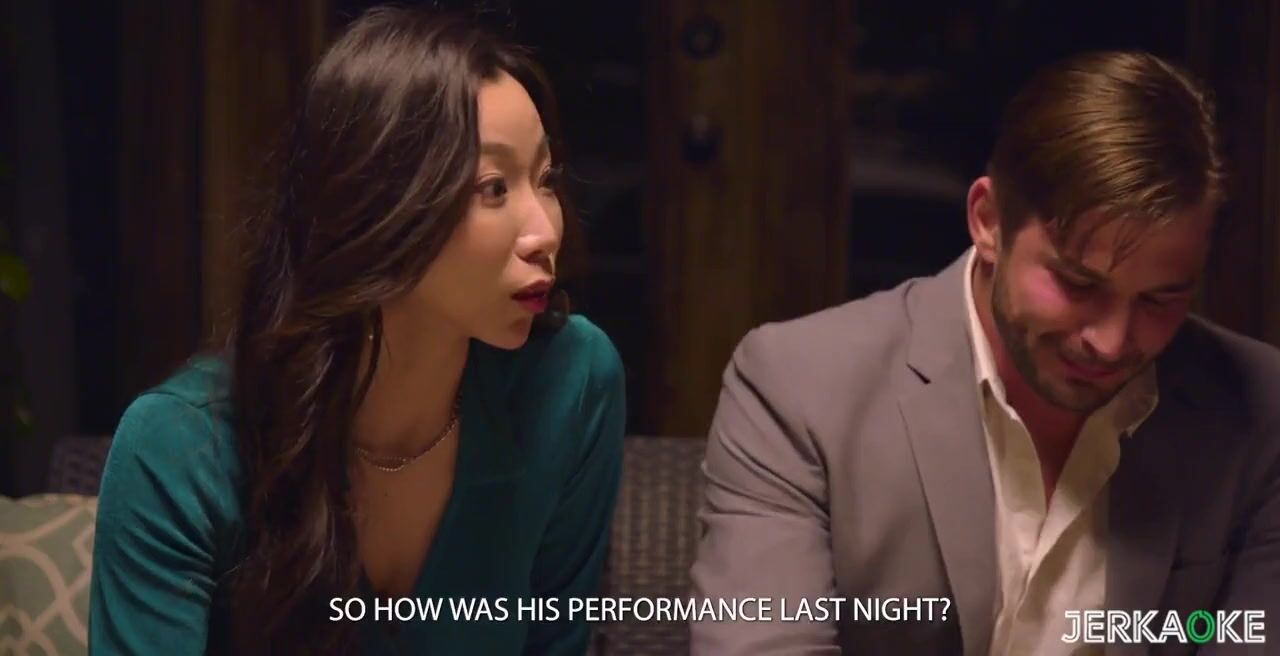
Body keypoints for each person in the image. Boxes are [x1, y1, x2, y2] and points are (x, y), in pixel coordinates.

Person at [689, 50, 1280, 654]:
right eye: (1078, 284)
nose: (1110, 341)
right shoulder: (799, 388)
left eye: (1159, 299)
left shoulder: (1261, 412)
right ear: (989, 222)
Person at [88, 7, 625, 655]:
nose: (544, 231)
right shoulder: (181, 449)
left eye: (545, 180)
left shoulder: (570, 381)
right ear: (380, 209)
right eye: (492, 187)